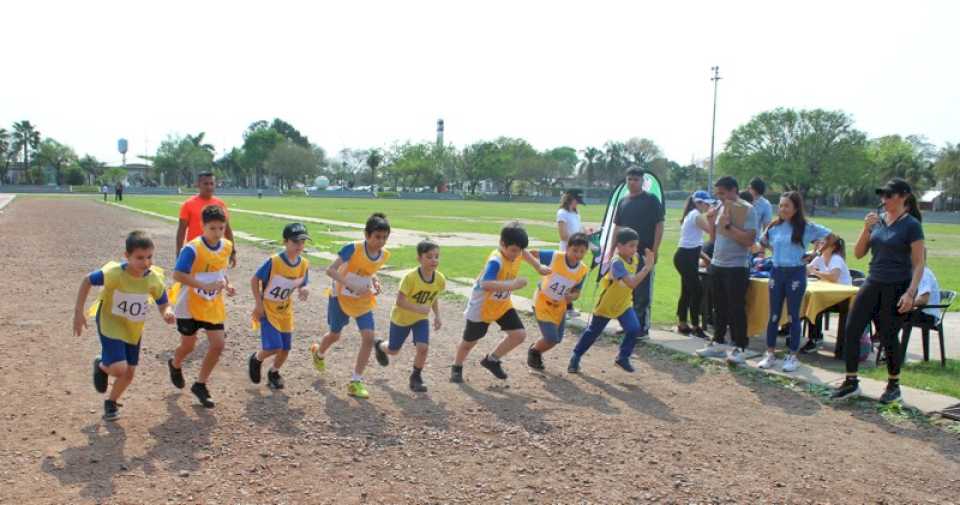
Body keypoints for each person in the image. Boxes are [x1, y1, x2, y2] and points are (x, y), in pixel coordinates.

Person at [832, 178, 925, 403]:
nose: (884, 199)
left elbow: (919, 263)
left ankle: (894, 385)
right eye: (882, 195)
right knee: (852, 328)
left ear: (903, 197)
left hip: (896, 285)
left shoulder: (911, 225)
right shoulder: (878, 221)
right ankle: (851, 381)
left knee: (888, 335)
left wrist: (911, 292)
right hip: (873, 281)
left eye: (889, 195)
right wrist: (866, 229)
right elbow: (859, 253)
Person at [73, 231, 175, 420]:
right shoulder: (114, 274)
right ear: (126, 256)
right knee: (120, 368)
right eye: (139, 258)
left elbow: (163, 302)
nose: (145, 263)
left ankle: (111, 401)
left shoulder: (153, 278)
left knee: (129, 374)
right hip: (110, 322)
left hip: (132, 327)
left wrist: (167, 312)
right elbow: (87, 280)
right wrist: (79, 311)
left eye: (149, 257)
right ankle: (104, 365)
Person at [450, 222, 549, 383]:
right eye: (513, 251)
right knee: (469, 342)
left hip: (502, 304)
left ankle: (492, 360)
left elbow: (524, 253)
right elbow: (486, 284)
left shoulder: (517, 252)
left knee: (519, 335)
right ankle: (457, 367)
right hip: (482, 307)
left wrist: (538, 267)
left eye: (519, 250)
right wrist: (513, 285)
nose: (517, 255)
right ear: (502, 244)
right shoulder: (496, 260)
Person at [310, 213, 392, 399]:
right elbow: (330, 270)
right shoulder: (352, 249)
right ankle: (319, 353)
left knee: (369, 337)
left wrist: (375, 281)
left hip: (362, 299)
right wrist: (350, 284)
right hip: (340, 296)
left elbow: (369, 270)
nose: (381, 241)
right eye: (377, 237)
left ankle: (355, 381)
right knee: (335, 335)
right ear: (366, 234)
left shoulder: (384, 255)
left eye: (385, 237)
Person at [167, 205, 236, 408]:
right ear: (202, 226)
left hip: (212, 303)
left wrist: (228, 284)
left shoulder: (226, 246)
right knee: (188, 346)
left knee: (218, 345)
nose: (217, 233)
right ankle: (175, 364)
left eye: (221, 228)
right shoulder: (191, 249)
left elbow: (221, 270)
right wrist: (203, 285)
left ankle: (200, 384)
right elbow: (178, 275)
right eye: (212, 228)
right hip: (188, 304)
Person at [756, 192, 833, 372]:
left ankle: (792, 356)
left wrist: (815, 253)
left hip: (796, 273)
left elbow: (830, 236)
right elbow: (762, 242)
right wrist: (771, 252)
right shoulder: (773, 227)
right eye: (781, 205)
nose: (782, 209)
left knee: (793, 315)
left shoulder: (806, 227)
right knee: (774, 315)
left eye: (787, 206)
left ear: (796, 208)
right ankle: (770, 354)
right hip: (776, 272)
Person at [568, 228, 655, 373]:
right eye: (631, 245)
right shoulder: (616, 263)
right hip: (607, 304)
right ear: (619, 246)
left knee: (634, 329)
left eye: (636, 245)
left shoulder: (635, 258)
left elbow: (632, 282)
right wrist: (647, 268)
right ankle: (575, 356)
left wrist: (645, 265)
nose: (635, 249)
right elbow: (632, 283)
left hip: (624, 303)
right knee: (593, 332)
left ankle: (623, 357)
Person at [696, 176, 758, 365]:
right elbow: (715, 239)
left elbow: (749, 241)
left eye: (722, 193)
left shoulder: (747, 210)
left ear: (734, 191)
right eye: (717, 193)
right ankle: (718, 342)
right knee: (718, 307)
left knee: (736, 308)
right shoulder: (721, 207)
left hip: (736, 266)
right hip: (717, 264)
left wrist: (728, 226)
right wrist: (712, 221)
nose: (719, 197)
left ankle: (740, 347)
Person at [373, 240, 445, 392]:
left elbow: (434, 296)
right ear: (419, 258)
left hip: (420, 320)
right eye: (429, 257)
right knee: (393, 350)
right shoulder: (410, 277)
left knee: (423, 347)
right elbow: (399, 301)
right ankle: (379, 345)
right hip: (401, 318)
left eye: (437, 256)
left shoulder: (439, 279)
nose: (434, 260)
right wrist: (419, 308)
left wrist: (437, 316)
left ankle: (416, 377)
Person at [248, 223, 311, 390]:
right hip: (268, 310)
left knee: (286, 348)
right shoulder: (274, 262)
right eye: (296, 242)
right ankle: (256, 358)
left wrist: (304, 289)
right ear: (285, 242)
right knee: (275, 346)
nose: (300, 246)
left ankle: (274, 372)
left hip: (285, 310)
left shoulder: (303, 263)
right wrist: (258, 303)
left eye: (303, 242)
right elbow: (255, 280)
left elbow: (303, 282)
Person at [526, 232, 590, 371]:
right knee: (551, 337)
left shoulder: (583, 270)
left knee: (557, 339)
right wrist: (538, 266)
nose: (578, 255)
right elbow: (531, 253)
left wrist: (571, 297)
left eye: (582, 252)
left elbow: (577, 292)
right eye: (575, 250)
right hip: (542, 301)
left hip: (559, 305)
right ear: (567, 248)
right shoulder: (555, 256)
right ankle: (534, 352)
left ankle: (536, 351)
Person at [614, 167, 664, 339]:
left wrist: (655, 250)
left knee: (642, 291)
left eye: (636, 179)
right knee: (626, 291)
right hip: (625, 256)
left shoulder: (651, 200)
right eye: (629, 179)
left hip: (644, 252)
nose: (632, 182)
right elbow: (618, 228)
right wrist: (613, 249)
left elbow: (659, 225)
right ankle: (629, 325)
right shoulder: (623, 202)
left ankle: (642, 328)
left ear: (643, 181)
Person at [801, 235, 852, 352]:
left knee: (815, 303)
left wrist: (815, 272)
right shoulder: (820, 258)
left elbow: (834, 277)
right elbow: (807, 270)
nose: (820, 245)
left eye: (823, 243)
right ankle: (813, 337)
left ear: (832, 247)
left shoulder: (836, 259)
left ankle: (815, 339)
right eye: (819, 243)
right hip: (827, 294)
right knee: (807, 300)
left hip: (842, 297)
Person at [674, 191, 714, 339]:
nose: (708, 206)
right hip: (685, 258)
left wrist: (706, 257)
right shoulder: (696, 215)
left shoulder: (692, 214)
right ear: (698, 202)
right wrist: (712, 217)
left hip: (686, 256)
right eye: (706, 203)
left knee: (687, 291)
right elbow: (712, 232)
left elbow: (694, 244)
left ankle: (683, 323)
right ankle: (696, 326)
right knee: (696, 291)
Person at [177, 172, 237, 268]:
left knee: (217, 278)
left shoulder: (220, 204)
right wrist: (179, 253)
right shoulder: (188, 204)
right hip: (196, 252)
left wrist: (233, 251)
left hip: (216, 251)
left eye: (211, 183)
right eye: (206, 184)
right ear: (198, 184)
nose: (209, 187)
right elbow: (181, 231)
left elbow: (227, 229)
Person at [556, 189, 593, 318]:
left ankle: (569, 306)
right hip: (567, 251)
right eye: (576, 201)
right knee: (565, 279)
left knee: (575, 278)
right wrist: (578, 239)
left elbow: (579, 229)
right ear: (570, 198)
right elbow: (563, 235)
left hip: (577, 252)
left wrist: (586, 232)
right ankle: (562, 308)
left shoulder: (576, 214)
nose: (577, 204)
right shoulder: (562, 213)